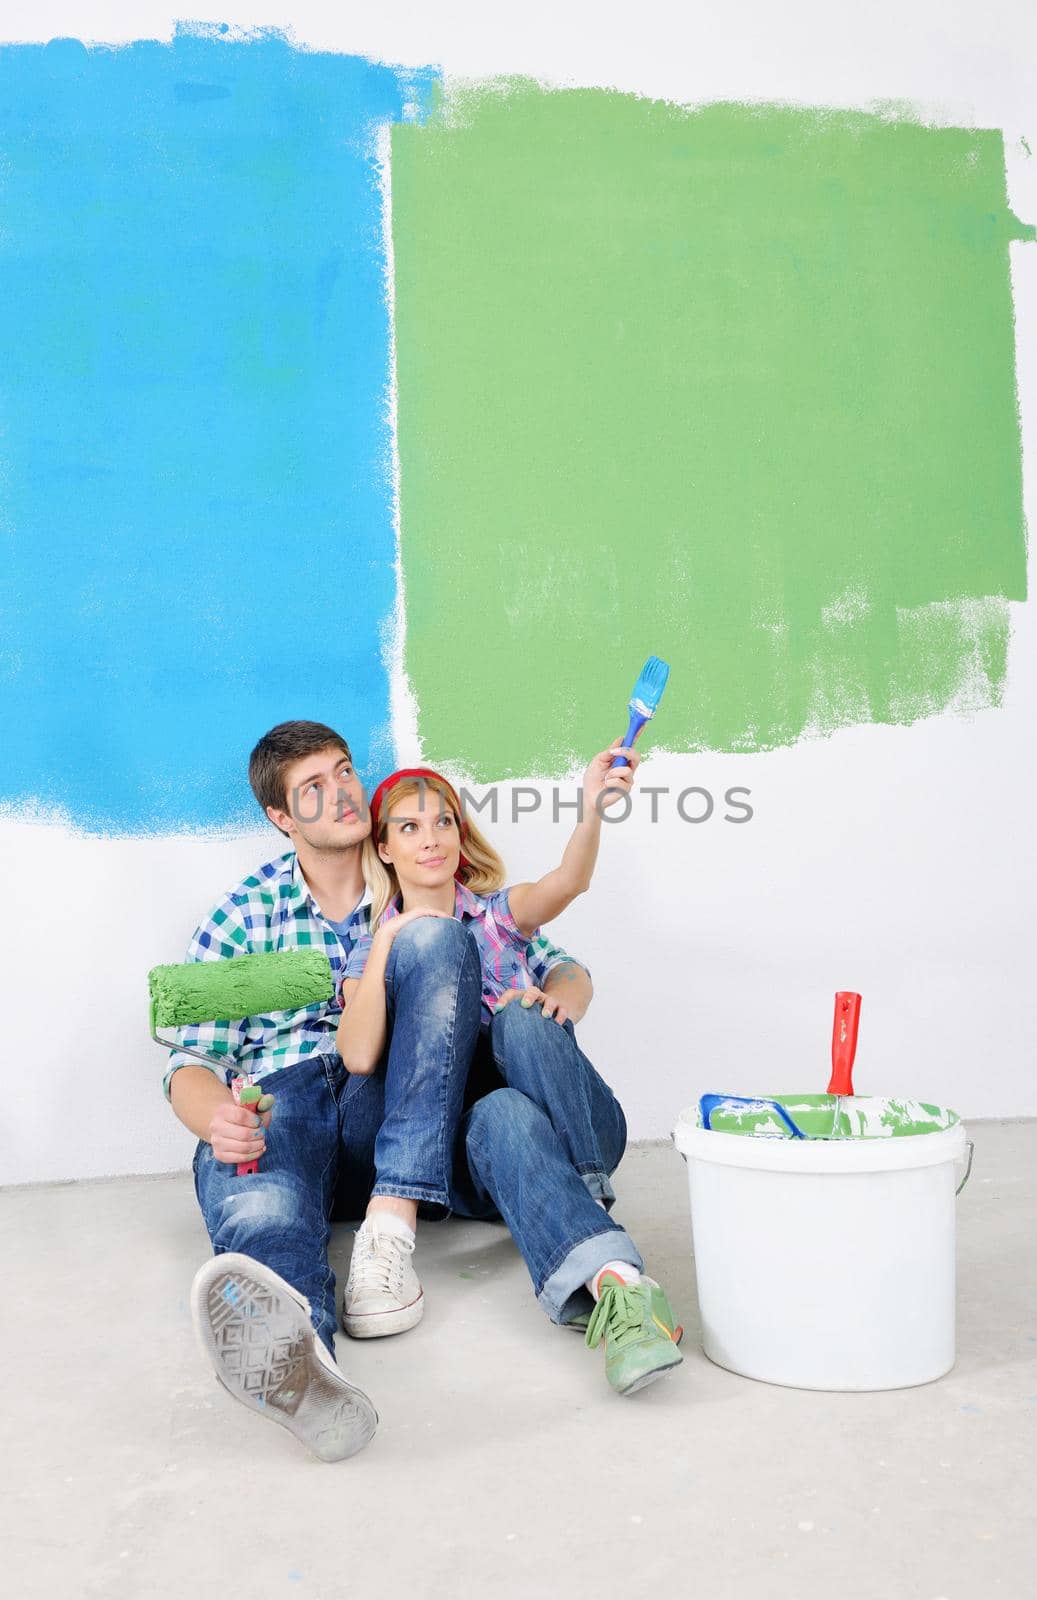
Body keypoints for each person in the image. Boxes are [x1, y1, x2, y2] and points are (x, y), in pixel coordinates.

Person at [167, 721, 590, 1462]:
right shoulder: (247, 913)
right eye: (312, 789)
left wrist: (560, 1002)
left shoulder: (416, 861)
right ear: (280, 817)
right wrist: (217, 1120)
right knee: (264, 1206)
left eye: (343, 773)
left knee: (434, 938)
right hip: (286, 1099)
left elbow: (543, 955)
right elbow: (189, 1061)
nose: (339, 795)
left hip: (398, 1114)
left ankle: (388, 1228)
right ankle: (308, 1365)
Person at [336, 748, 684, 1397]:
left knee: (523, 1019)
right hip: (491, 1154)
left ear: (460, 834)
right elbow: (356, 1057)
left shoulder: (498, 917)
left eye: (442, 822)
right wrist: (387, 937)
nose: (430, 839)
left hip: (578, 1123)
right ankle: (619, 1289)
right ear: (382, 848)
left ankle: (587, 1193)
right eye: (408, 827)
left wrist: (589, 811)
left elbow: (567, 884)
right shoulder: (373, 946)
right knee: (498, 1111)